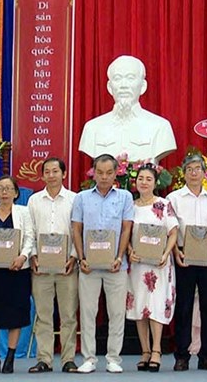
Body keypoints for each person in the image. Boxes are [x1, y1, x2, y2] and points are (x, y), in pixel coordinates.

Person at [72, 154, 134, 374]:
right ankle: (89, 357)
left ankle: (113, 358)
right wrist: (81, 258)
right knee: (88, 312)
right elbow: (76, 229)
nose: (104, 177)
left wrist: (119, 257)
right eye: (100, 172)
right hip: (88, 265)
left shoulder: (125, 197)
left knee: (116, 312)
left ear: (116, 172)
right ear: (93, 172)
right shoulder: (81, 198)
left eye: (109, 172)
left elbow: (127, 228)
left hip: (116, 265)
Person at [167, 154, 207, 371]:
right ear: (183, 172)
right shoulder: (173, 198)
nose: (194, 172)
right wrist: (175, 252)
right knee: (184, 306)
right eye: (189, 168)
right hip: (183, 256)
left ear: (204, 172)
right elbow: (170, 228)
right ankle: (182, 355)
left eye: (198, 168)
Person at [27, 157, 80, 374]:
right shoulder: (34, 200)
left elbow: (79, 230)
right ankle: (45, 359)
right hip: (41, 267)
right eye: (47, 171)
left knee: (68, 315)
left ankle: (68, 359)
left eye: (55, 171)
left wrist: (74, 257)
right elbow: (29, 231)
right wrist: (32, 256)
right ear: (42, 176)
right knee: (43, 315)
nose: (51, 175)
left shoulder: (75, 200)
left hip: (67, 266)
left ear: (63, 174)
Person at [0, 176, 35, 374]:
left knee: (15, 315)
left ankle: (10, 359)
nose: (4, 192)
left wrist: (23, 256)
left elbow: (29, 237)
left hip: (17, 271)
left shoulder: (23, 212)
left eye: (8, 188)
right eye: (1, 188)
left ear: (15, 193)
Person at [126, 165, 179, 372]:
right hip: (138, 265)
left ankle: (157, 349)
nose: (144, 182)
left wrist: (165, 254)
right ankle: (145, 350)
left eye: (149, 179)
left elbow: (173, 232)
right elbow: (125, 233)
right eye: (141, 178)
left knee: (155, 305)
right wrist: (129, 250)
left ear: (155, 182)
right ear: (135, 182)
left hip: (159, 265)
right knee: (141, 307)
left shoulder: (164, 205)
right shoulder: (130, 206)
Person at [78, 55, 176, 162]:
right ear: (110, 87)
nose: (123, 85)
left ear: (143, 86)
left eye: (130, 78)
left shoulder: (160, 127)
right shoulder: (92, 128)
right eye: (117, 78)